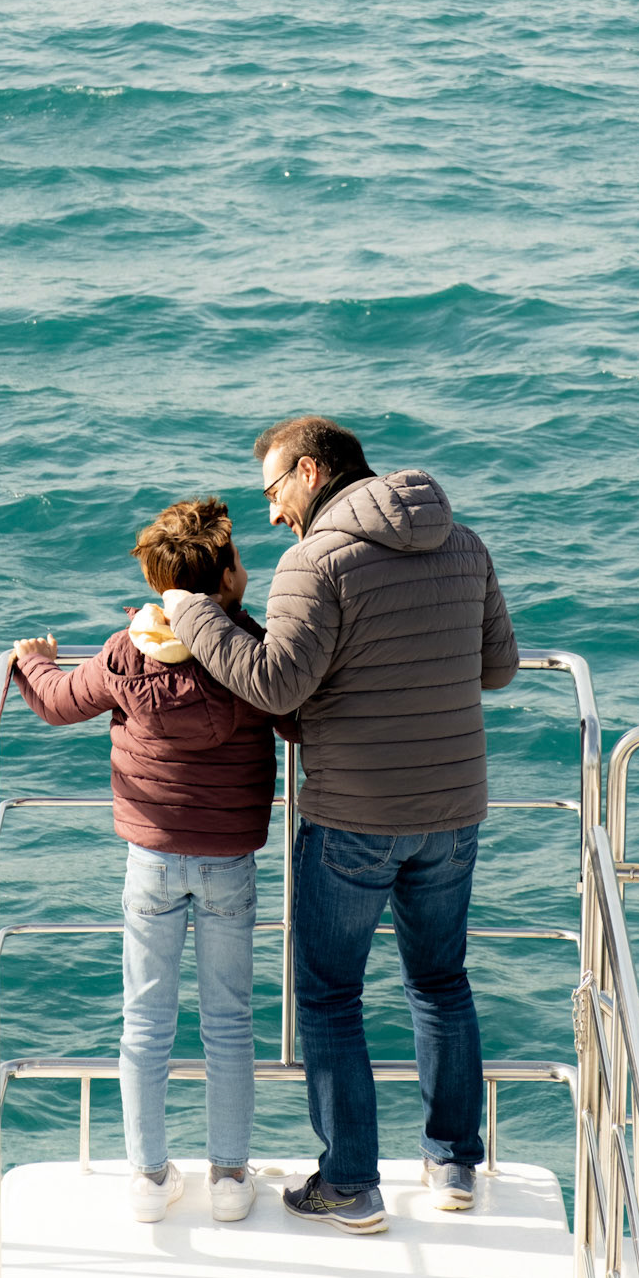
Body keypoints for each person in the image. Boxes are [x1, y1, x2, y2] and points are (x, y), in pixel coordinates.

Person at [162, 415, 518, 1236]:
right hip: (452, 812)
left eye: (273, 490)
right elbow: (498, 667)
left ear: (312, 472)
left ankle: (352, 1184)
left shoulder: (313, 561)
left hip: (355, 815)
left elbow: (276, 685)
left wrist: (190, 612)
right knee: (441, 982)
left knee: (328, 996)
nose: (272, 513)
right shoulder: (464, 544)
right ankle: (454, 1164)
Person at [13, 497, 283, 1227]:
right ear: (224, 581)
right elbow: (297, 710)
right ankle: (229, 1178)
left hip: (152, 858)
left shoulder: (124, 652)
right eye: (238, 559)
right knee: (229, 1023)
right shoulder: (249, 650)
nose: (246, 566)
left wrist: (33, 662)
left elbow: (58, 701)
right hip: (229, 859)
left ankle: (148, 1177)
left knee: (144, 1021)